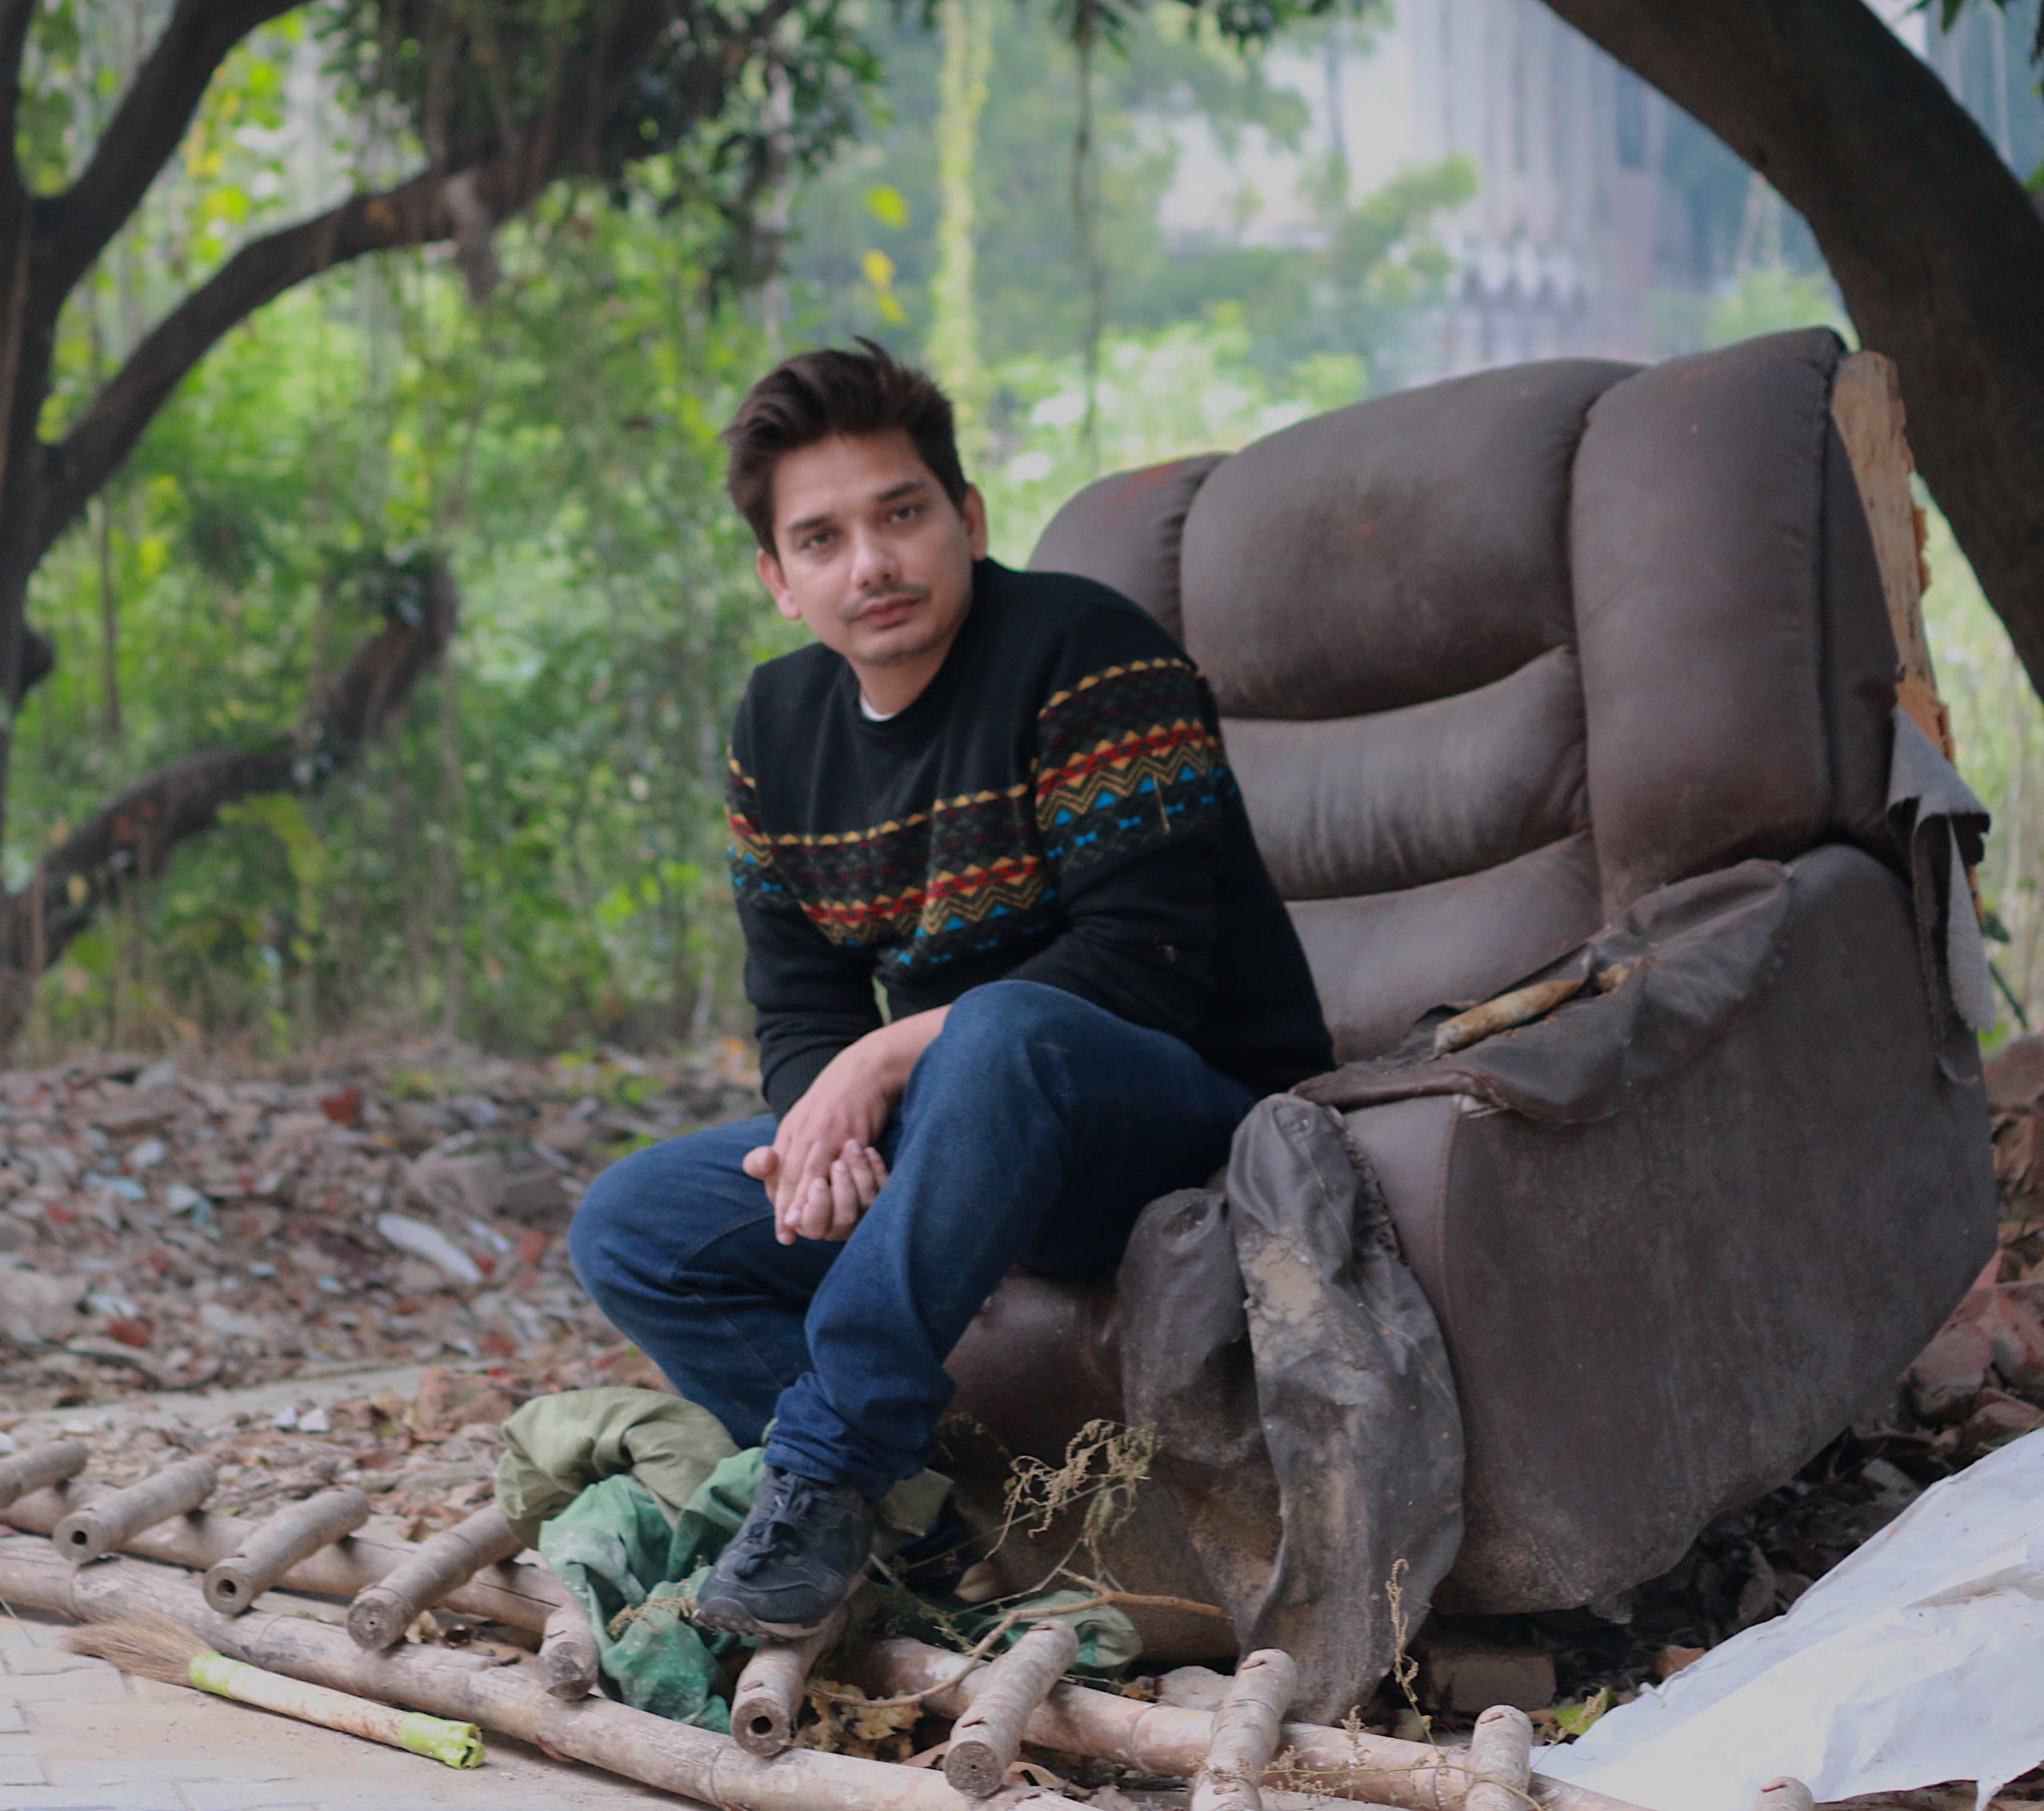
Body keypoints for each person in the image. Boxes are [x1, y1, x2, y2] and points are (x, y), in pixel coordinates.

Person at [569, 340, 1331, 1639]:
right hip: (962, 1130)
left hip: (1174, 1113)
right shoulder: (775, 727)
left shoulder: (1090, 651)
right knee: (634, 1222)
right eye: (820, 540)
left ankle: (825, 1469)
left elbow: (1137, 969)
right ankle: (918, 1525)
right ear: (778, 581)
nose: (869, 564)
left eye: (901, 515)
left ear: (968, 520)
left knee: (1003, 1031)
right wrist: (821, 1138)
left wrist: (876, 1067)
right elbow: (801, 1003)